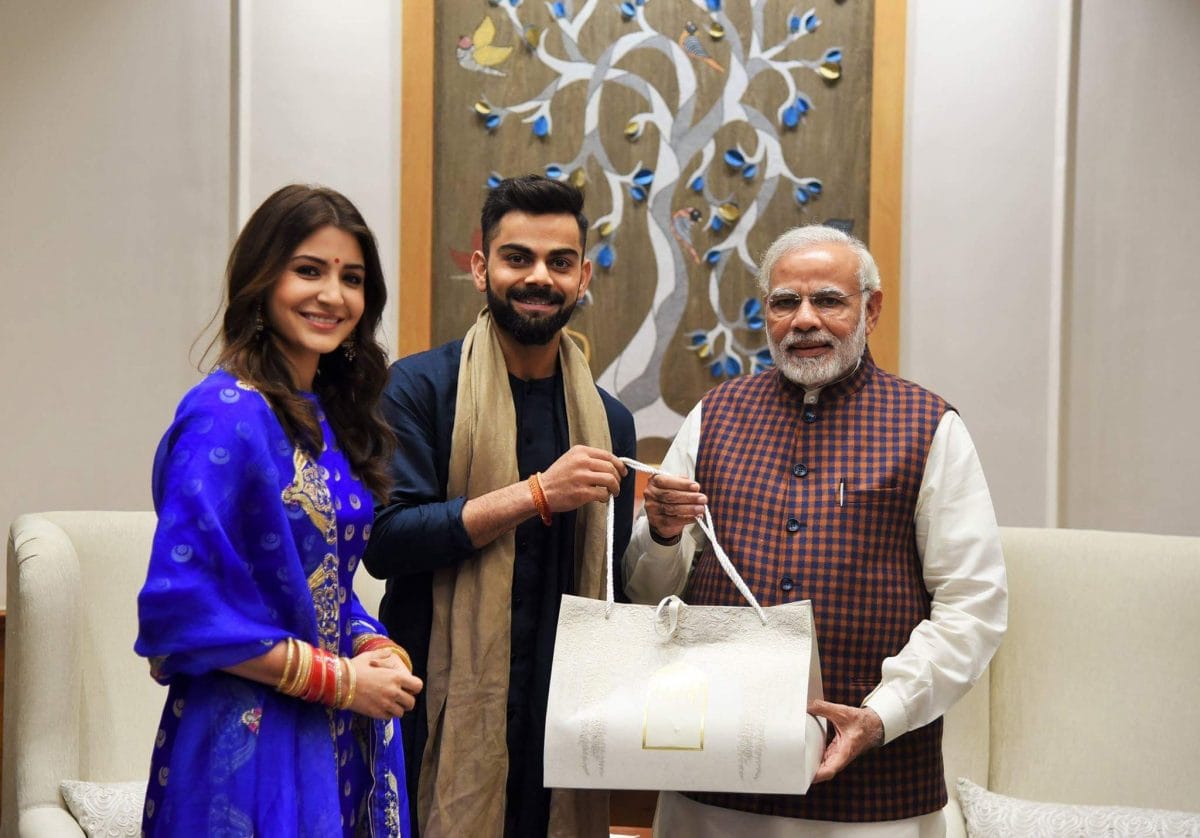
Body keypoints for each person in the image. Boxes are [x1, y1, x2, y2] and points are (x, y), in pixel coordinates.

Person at [623, 225, 1007, 836]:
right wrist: (662, 534)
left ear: (870, 309)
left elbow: (973, 607)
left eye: (828, 300)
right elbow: (650, 597)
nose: (804, 320)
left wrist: (879, 716)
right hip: (713, 786)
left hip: (874, 797)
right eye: (784, 302)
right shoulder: (714, 416)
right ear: (766, 313)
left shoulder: (928, 425)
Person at [135, 184, 423, 837]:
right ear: (260, 280)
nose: (333, 295)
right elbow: (182, 610)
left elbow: (320, 587)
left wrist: (371, 645)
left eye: (351, 278)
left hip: (331, 734)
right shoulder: (222, 415)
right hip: (246, 740)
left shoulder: (327, 416)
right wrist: (342, 682)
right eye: (309, 270)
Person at [362, 174, 636, 837]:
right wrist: (536, 494)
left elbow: (612, 589)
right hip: (433, 708)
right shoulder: (419, 388)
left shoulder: (609, 422)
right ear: (483, 269)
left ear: (583, 276)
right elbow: (386, 541)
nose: (539, 277)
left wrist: (667, 532)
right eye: (519, 258)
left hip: (562, 725)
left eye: (559, 262)